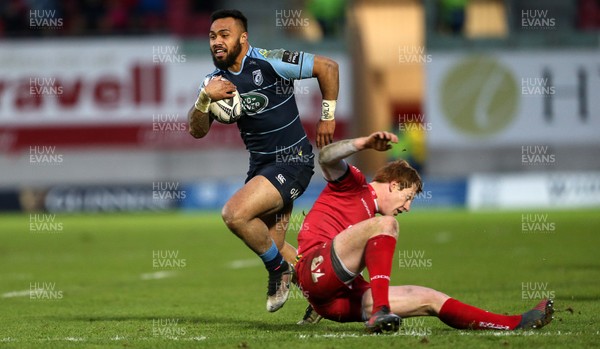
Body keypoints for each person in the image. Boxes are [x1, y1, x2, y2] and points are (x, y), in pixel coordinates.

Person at [295, 131, 554, 333]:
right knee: (387, 225)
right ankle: (381, 310)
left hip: (335, 300)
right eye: (407, 198)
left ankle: (515, 323)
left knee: (430, 298)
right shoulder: (355, 185)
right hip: (314, 270)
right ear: (394, 185)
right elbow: (326, 156)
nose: (407, 207)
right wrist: (363, 143)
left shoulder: (369, 220)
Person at [188, 9, 338, 313]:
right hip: (262, 167)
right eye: (212, 36)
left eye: (224, 35)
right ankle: (335, 295)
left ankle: (277, 272)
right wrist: (204, 98)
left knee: (235, 214)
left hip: (293, 161)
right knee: (275, 244)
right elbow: (196, 131)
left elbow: (328, 67)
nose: (217, 42)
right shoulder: (213, 82)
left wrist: (327, 118)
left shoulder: (271, 60)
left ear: (243, 38)